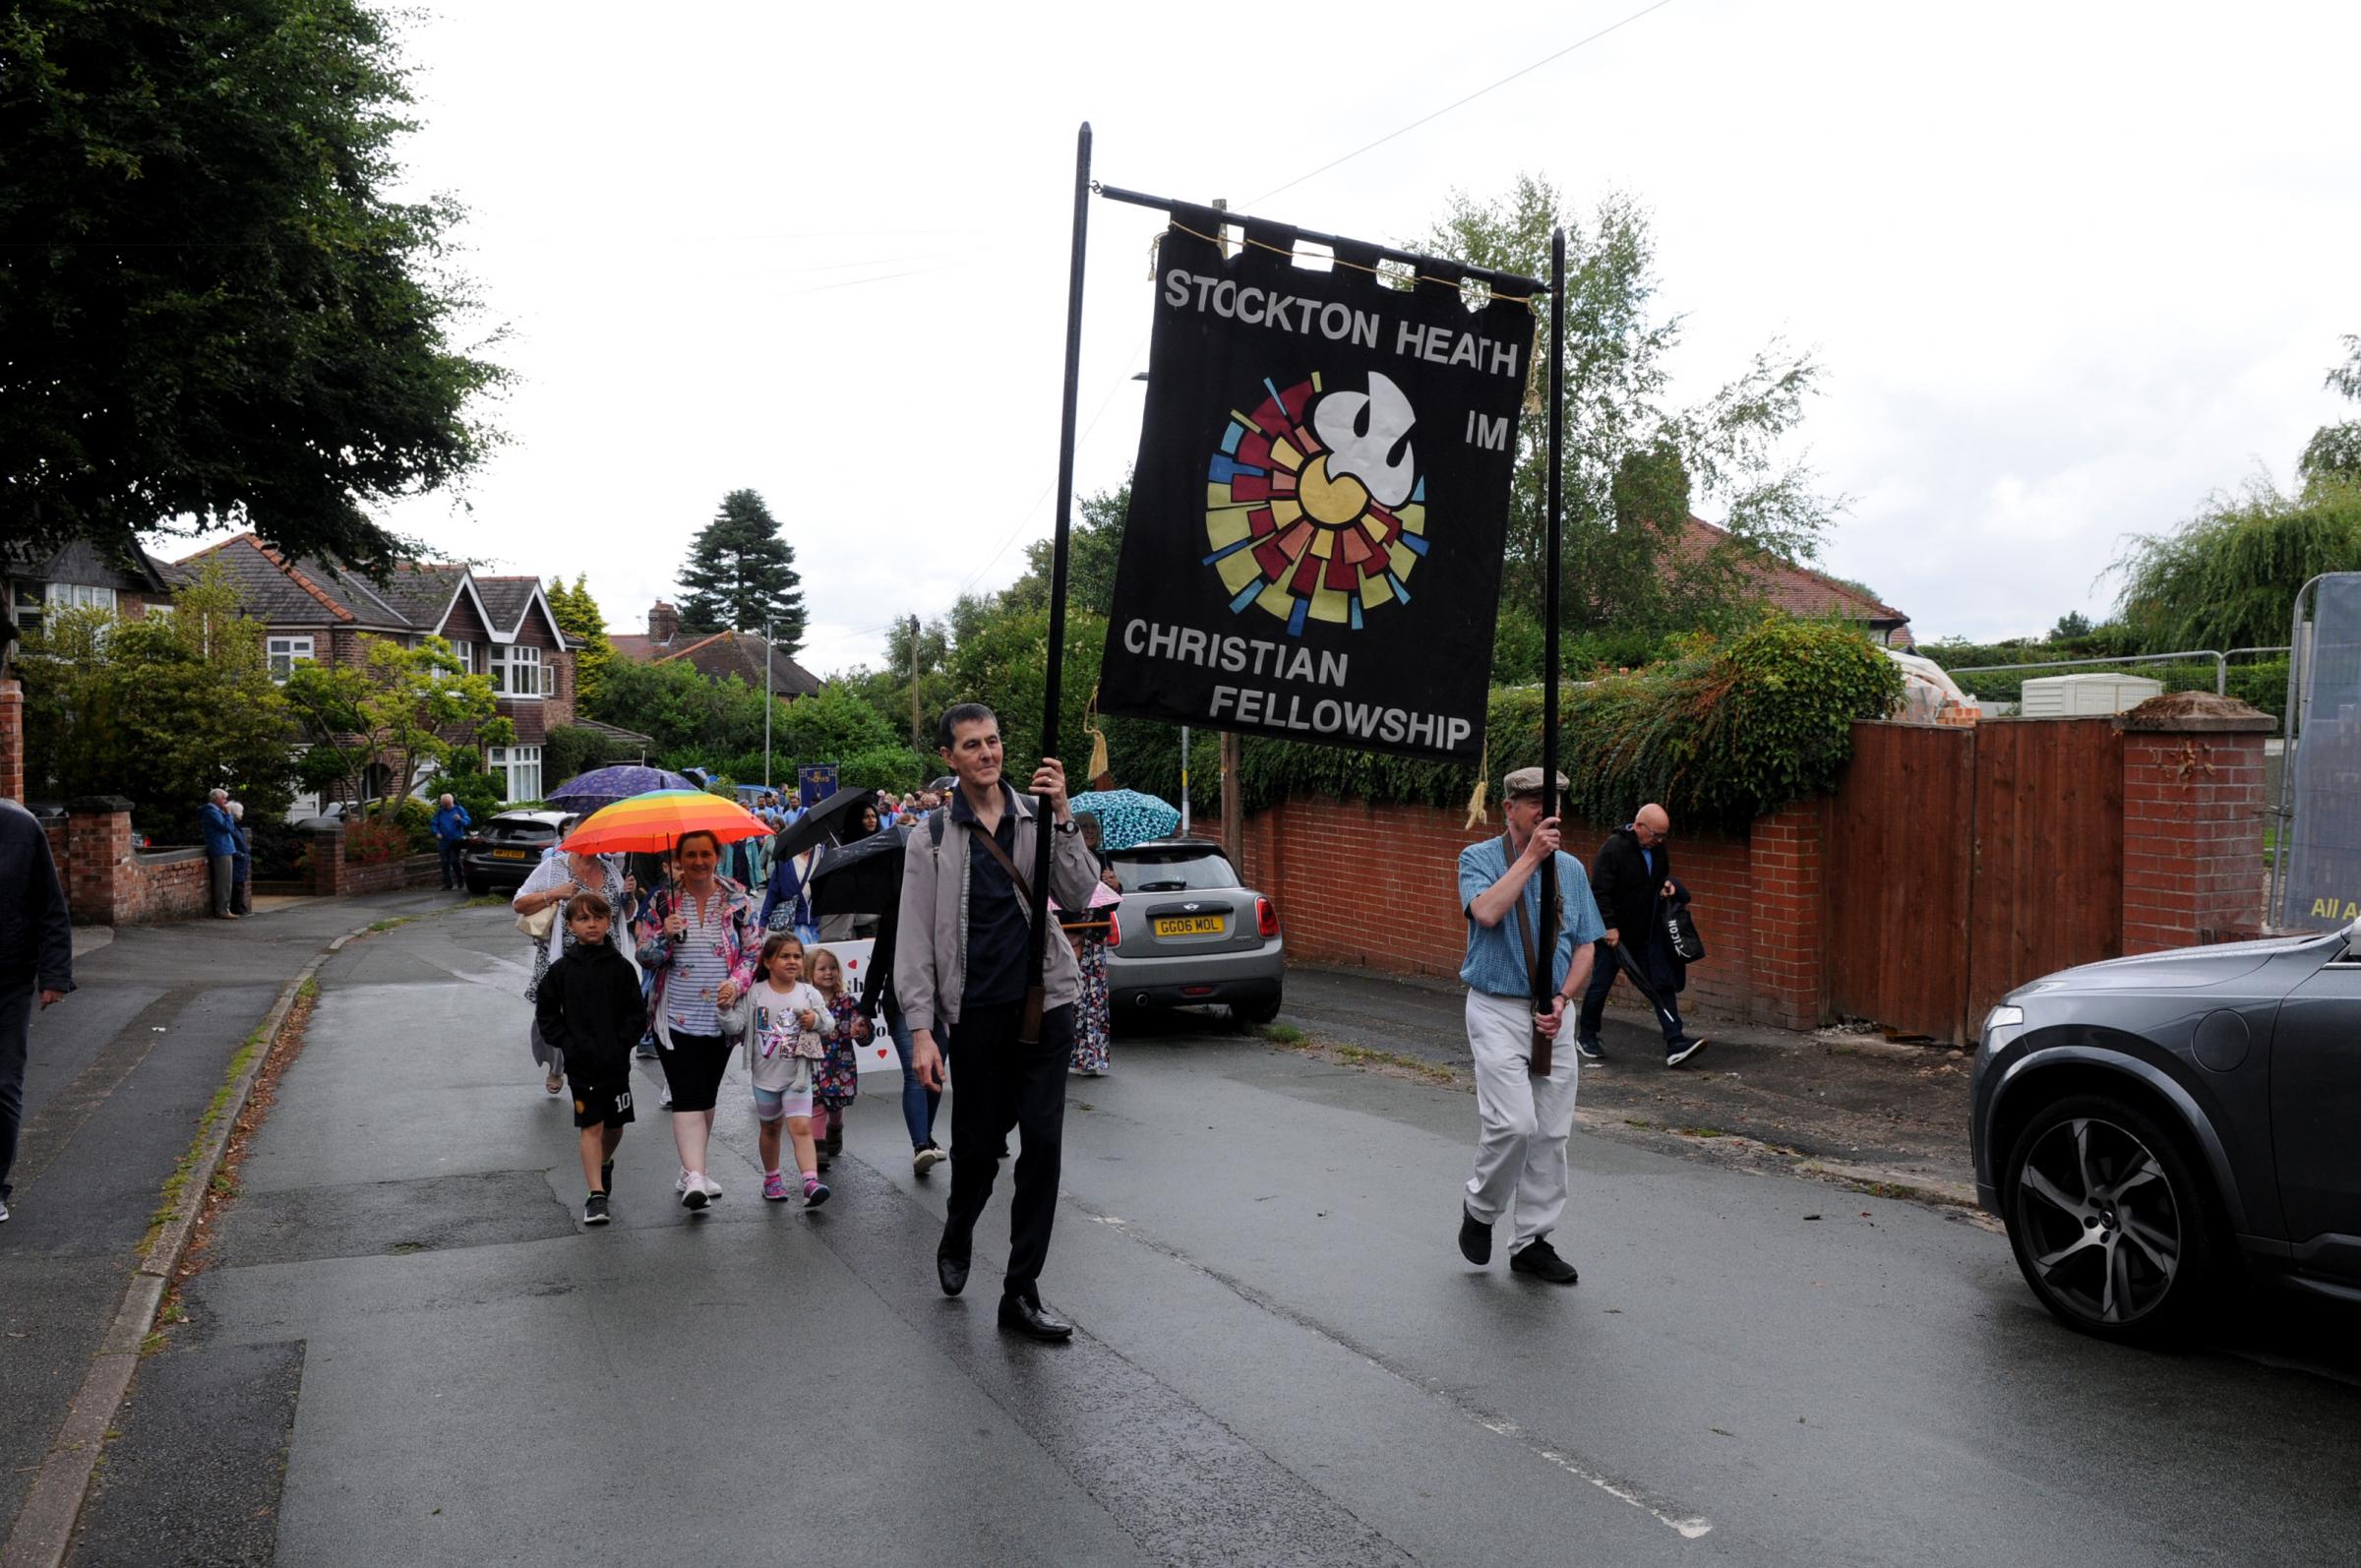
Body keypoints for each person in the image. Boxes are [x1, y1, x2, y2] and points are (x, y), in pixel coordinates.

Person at [898, 702, 1102, 1344]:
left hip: (1047, 1003)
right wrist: (923, 1029)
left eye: (993, 740)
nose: (987, 753)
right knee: (979, 1152)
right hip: (976, 1013)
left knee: (1042, 1146)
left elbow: (1078, 894)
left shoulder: (1038, 815)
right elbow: (915, 940)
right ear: (949, 758)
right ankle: (960, 1225)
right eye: (972, 745)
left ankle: (1021, 1292)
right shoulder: (929, 837)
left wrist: (1064, 814)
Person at [1455, 766, 1605, 1287]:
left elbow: (1586, 944)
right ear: (1509, 808)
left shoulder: (1573, 870)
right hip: (1497, 1008)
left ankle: (1533, 1242)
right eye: (1534, 801)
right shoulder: (1477, 859)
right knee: (1513, 1124)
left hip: (1554, 1015)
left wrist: (1565, 999)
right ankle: (1480, 1208)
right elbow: (1488, 912)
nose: (1546, 810)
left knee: (1550, 1133)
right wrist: (1531, 858)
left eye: (1554, 802)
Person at [636, 829, 757, 1211]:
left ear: (717, 856)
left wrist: (735, 984)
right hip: (673, 1017)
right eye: (690, 855)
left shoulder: (737, 899)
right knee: (687, 1095)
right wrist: (664, 938)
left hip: (721, 1018)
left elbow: (753, 953)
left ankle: (692, 1168)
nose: (699, 861)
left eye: (705, 854)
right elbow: (644, 955)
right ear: (680, 858)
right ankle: (695, 1178)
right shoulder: (662, 900)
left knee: (705, 1096)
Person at [533, 890, 646, 1226]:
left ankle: (605, 1163)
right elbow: (547, 1013)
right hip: (581, 1064)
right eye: (583, 919)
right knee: (590, 1124)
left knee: (615, 1124)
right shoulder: (561, 971)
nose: (591, 924)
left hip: (615, 1061)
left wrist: (624, 1041)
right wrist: (567, 1043)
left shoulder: (623, 969)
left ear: (608, 922)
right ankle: (595, 1195)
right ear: (569, 925)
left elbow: (635, 1014)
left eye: (597, 918)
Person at [1574, 803, 1709, 1069]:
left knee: (1661, 983)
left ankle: (1675, 1042)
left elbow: (1658, 879)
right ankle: (1587, 1035)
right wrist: (1609, 927)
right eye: (1655, 835)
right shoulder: (1614, 849)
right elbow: (1599, 891)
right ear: (1638, 826)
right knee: (1601, 983)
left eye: (1663, 836)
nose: (1659, 841)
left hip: (1645, 932)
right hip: (1615, 934)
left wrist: (1668, 886)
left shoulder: (1657, 850)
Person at [1, 797, 75, 1225]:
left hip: (7, 979)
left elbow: (51, 907)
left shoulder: (20, 827)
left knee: (3, 1084)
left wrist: (54, 976)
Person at [515, 843, 639, 1096]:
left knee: (597, 1014)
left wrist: (629, 897)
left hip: (605, 958)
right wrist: (553, 894)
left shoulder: (610, 870)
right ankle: (557, 1065)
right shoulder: (554, 867)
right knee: (555, 1014)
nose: (593, 846)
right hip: (563, 959)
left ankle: (595, 1065)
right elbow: (520, 903)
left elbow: (622, 914)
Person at [720, 932, 831, 1206]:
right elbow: (736, 1026)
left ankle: (810, 1181)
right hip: (765, 1076)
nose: (792, 961)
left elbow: (829, 1025)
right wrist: (724, 1010)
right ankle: (772, 1178)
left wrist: (815, 1020)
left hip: (798, 1077)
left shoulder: (808, 993)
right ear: (768, 962)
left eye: (796, 956)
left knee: (802, 1126)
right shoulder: (756, 993)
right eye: (784, 956)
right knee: (770, 1128)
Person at [1063, 814, 1115, 1077]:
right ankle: (1068, 1055)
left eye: (1094, 827)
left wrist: (1116, 886)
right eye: (1085, 827)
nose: (1091, 831)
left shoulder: (1104, 859)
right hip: (1073, 939)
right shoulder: (1071, 859)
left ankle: (1092, 1057)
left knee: (1094, 1004)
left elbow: (1112, 902)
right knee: (1074, 1000)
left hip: (1096, 942)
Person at [808, 946, 866, 1163]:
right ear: (809, 973)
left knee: (836, 1105)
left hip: (841, 1063)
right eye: (822, 968)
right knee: (817, 1103)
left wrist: (860, 1031)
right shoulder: (807, 1001)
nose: (829, 972)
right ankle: (817, 1146)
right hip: (815, 1063)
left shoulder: (847, 1001)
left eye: (833, 968)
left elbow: (861, 1025)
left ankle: (836, 1127)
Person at [200, 788, 238, 919]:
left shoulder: (214, 811)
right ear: (216, 799)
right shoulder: (212, 812)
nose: (225, 801)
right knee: (224, 881)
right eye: (223, 798)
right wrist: (228, 814)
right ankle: (222, 910)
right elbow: (228, 828)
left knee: (226, 880)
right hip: (221, 848)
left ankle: (224, 908)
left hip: (224, 848)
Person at [432, 793, 471, 890]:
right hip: (444, 841)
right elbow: (434, 824)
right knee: (444, 862)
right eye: (445, 805)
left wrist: (460, 819)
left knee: (454, 860)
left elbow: (468, 821)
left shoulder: (459, 810)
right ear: (442, 804)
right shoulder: (440, 812)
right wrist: (436, 832)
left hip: (455, 840)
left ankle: (460, 878)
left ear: (452, 802)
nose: (448, 806)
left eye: (449, 804)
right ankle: (447, 883)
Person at [226, 800, 253, 916]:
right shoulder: (232, 828)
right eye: (241, 812)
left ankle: (240, 907)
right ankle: (237, 908)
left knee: (240, 884)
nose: (242, 814)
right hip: (238, 860)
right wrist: (240, 855)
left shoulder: (236, 827)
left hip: (240, 860)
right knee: (237, 885)